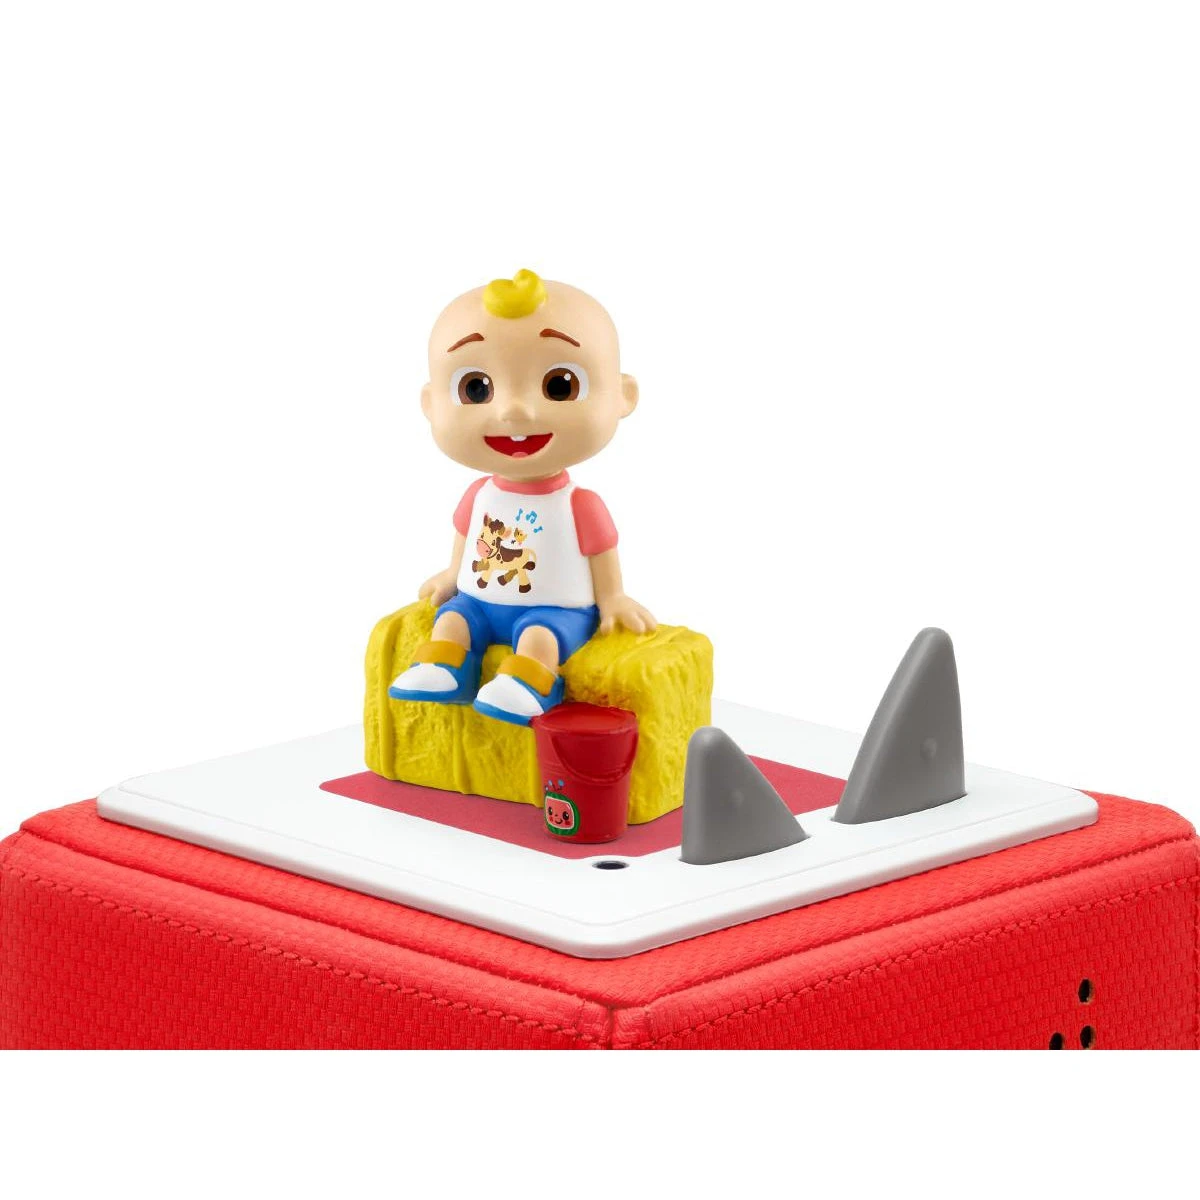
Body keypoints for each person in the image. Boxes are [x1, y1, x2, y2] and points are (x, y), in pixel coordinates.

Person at [389, 269, 656, 725]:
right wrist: (452, 574)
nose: (513, 410)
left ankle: (528, 685)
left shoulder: (578, 504)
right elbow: (465, 538)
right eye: (476, 388)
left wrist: (613, 599)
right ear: (431, 404)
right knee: (451, 622)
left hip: (554, 610)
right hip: (477, 601)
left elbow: (601, 553)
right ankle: (444, 670)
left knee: (539, 638)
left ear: (622, 396)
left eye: (559, 386)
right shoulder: (480, 494)